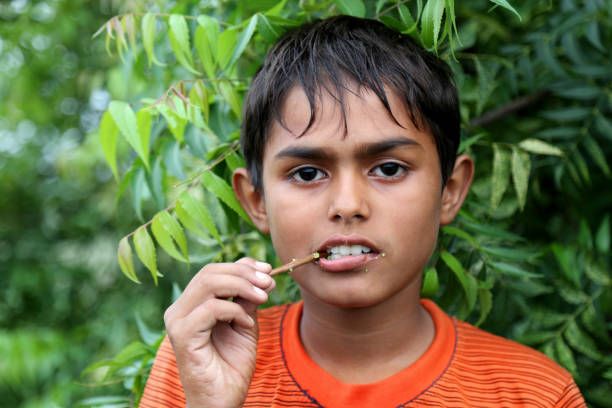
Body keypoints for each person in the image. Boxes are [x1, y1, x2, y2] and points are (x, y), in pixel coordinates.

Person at [139, 15, 586, 408]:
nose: (348, 205)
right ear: (256, 201)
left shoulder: (534, 394)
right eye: (308, 173)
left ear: (449, 190)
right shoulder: (196, 369)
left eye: (389, 168)